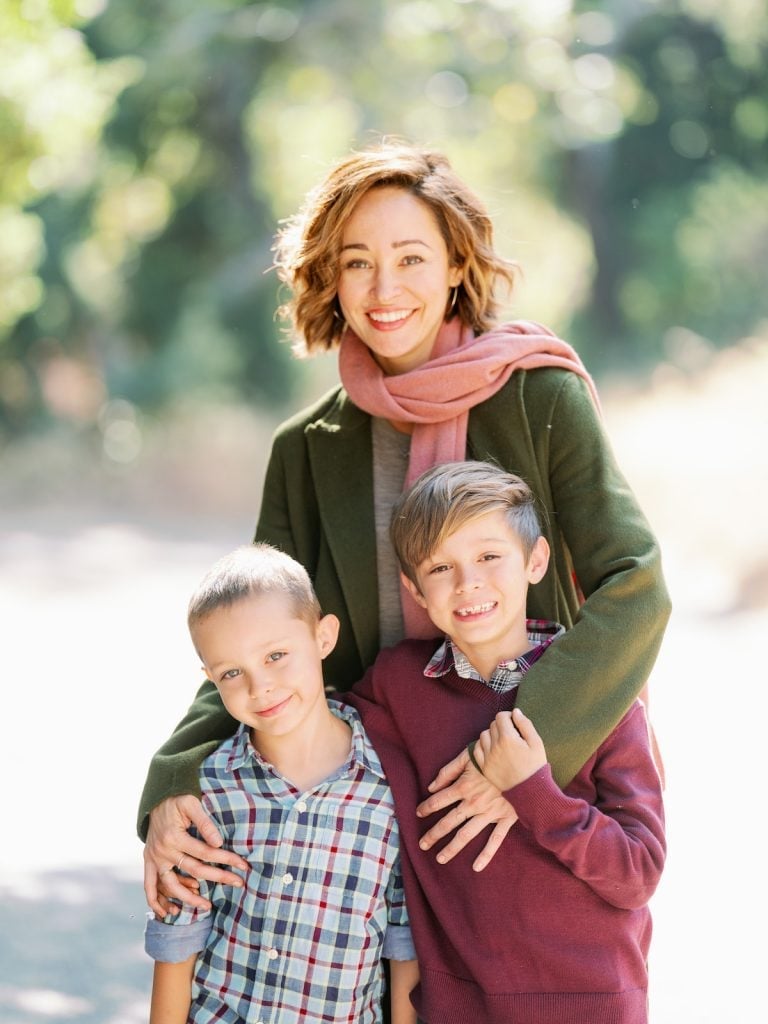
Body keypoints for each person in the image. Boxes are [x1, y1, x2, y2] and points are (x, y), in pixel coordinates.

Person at [137, 139, 670, 915]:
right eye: (357, 262)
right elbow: (262, 636)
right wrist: (174, 774)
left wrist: (521, 753)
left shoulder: (539, 397)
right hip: (376, 804)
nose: (384, 288)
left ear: (456, 264)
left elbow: (637, 585)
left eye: (412, 258)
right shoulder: (306, 450)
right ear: (332, 277)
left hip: (535, 783)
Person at [344, 461, 666, 1023]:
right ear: (414, 589)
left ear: (535, 561)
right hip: (458, 1004)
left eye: (490, 556)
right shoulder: (396, 688)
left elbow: (637, 871)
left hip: (592, 1000)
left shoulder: (599, 695)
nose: (468, 582)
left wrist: (534, 792)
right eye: (441, 567)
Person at [144, 544, 418, 1024]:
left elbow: (404, 944)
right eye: (232, 672)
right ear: (210, 679)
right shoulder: (208, 793)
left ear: (323, 637)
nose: (260, 686)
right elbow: (177, 947)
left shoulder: (388, 786)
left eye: (276, 655)